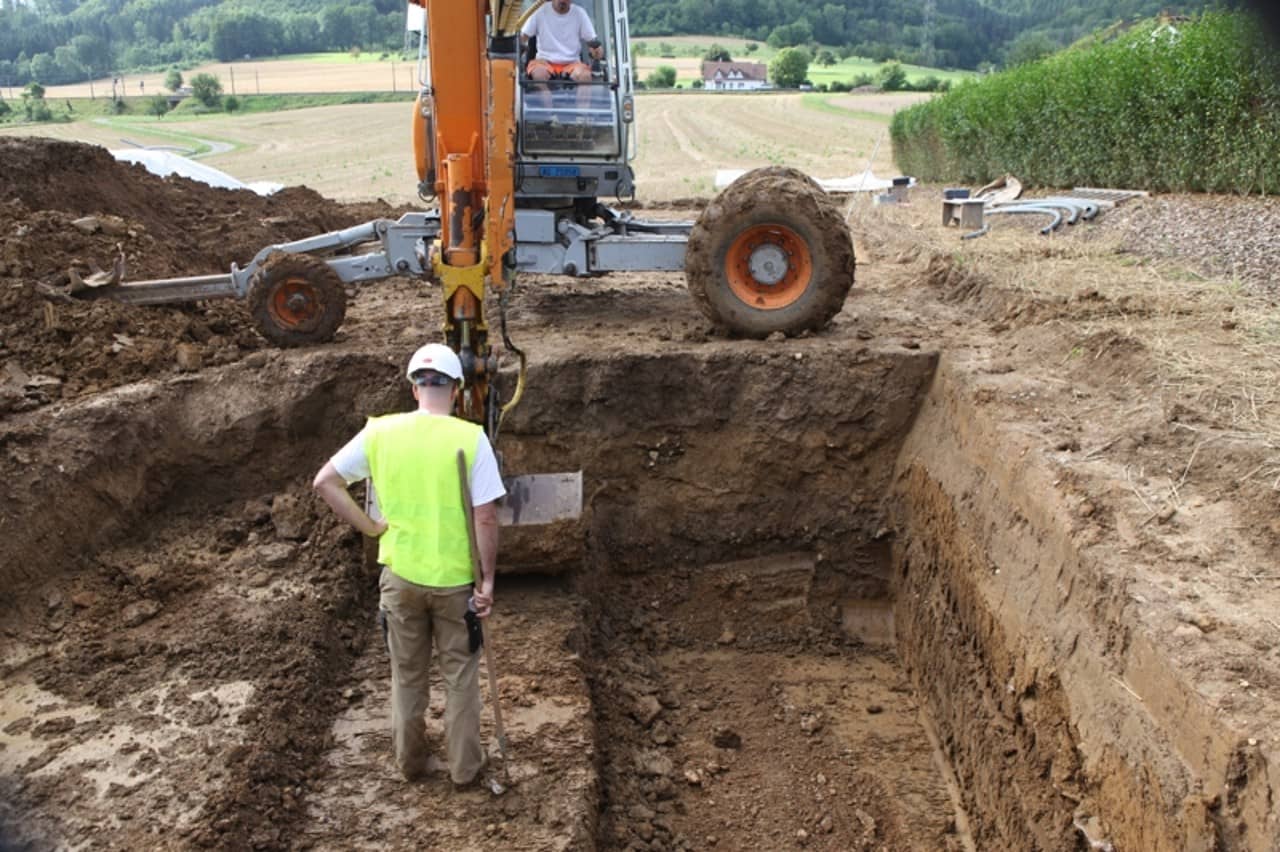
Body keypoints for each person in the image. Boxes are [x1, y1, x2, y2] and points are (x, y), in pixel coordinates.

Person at [313, 343, 506, 787]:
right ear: (456, 390)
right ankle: (464, 770)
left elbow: (326, 482)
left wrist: (372, 526)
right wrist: (489, 581)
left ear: (415, 387)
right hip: (457, 584)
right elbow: (486, 516)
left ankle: (410, 764)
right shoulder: (470, 438)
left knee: (407, 677)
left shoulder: (380, 433)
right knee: (460, 677)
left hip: (399, 580)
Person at [521, 0, 603, 84]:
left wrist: (596, 50)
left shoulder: (580, 14)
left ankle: (582, 97)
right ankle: (544, 96)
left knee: (585, 76)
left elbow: (592, 41)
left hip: (572, 63)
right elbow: (523, 37)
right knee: (539, 75)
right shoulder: (539, 11)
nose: (562, 1)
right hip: (544, 61)